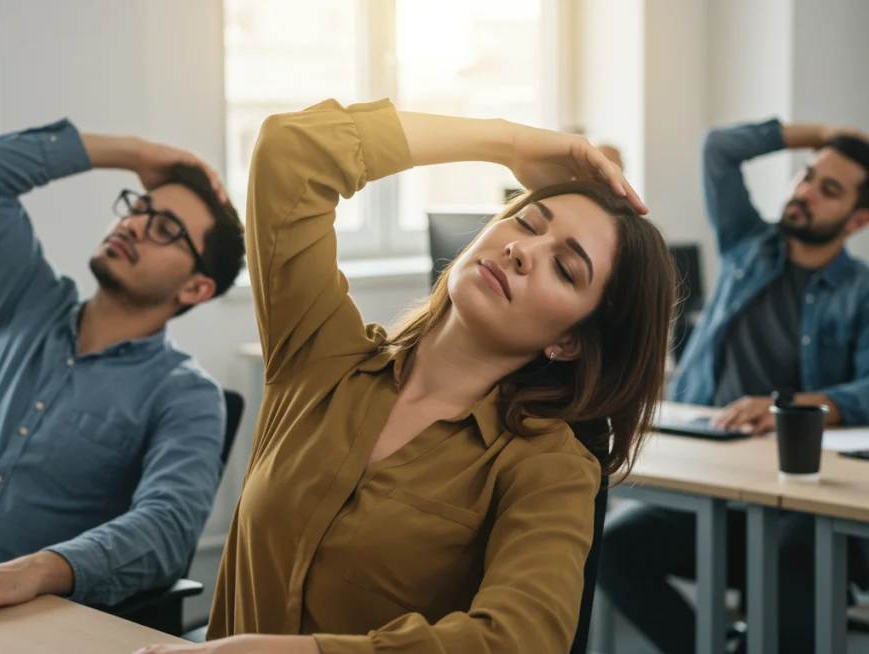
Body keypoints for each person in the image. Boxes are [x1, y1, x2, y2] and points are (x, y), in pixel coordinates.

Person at [133, 98, 676, 654]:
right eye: (526, 221)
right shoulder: (322, 358)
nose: (520, 249)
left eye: (564, 267)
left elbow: (521, 640)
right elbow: (291, 152)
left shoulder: (549, 466)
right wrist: (507, 144)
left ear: (569, 343)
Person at [0, 117, 246, 624]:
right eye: (138, 208)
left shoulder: (186, 395)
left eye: (165, 229)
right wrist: (136, 153)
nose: (132, 226)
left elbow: (166, 529)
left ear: (196, 288)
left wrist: (37, 570)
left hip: (33, 630)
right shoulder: (29, 307)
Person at [602, 120, 869, 653]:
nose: (805, 191)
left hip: (796, 502)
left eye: (829, 189)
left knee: (798, 560)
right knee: (612, 551)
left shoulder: (859, 291)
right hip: (708, 472)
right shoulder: (747, 245)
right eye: (808, 176)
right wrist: (823, 133)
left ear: (858, 219)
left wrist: (791, 407)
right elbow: (720, 149)